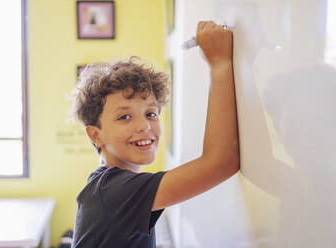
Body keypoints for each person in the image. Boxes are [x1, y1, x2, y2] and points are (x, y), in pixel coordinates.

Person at [69, 20, 239, 248]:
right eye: (124, 117)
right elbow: (221, 162)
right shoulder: (114, 191)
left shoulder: (108, 184)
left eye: (151, 113)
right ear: (95, 135)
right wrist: (219, 64)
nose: (144, 126)